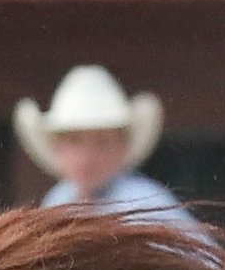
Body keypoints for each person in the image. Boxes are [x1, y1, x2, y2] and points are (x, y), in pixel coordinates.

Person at [14, 65, 204, 240]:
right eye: (74, 141)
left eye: (102, 142)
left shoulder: (145, 203)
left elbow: (207, 268)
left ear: (123, 147)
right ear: (56, 148)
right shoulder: (57, 200)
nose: (87, 156)